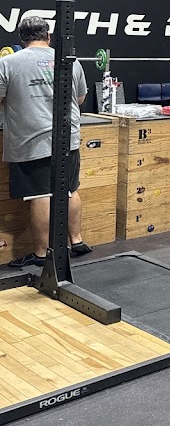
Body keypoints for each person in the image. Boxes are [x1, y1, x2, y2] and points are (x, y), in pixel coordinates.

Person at [0, 16, 91, 268]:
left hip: (32, 141)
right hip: (68, 139)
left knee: (40, 195)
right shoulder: (70, 61)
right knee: (70, 189)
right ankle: (77, 241)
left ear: (21, 38)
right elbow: (80, 98)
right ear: (48, 36)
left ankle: (41, 254)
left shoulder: (8, 63)